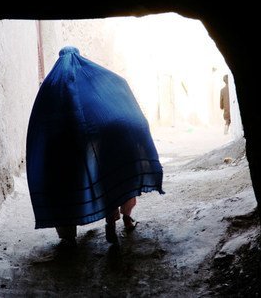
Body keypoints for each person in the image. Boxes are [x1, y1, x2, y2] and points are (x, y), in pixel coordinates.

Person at [26, 46, 164, 246]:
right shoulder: (96, 81)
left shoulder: (50, 87)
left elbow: (40, 126)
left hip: (60, 149)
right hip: (104, 134)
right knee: (113, 177)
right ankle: (120, 219)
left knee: (62, 186)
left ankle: (68, 236)